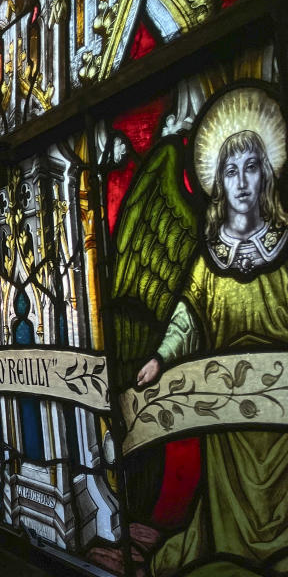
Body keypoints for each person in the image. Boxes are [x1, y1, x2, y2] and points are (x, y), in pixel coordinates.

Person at [136, 105, 288, 576]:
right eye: (230, 171)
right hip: (227, 411)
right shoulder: (211, 255)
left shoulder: (284, 243)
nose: (241, 181)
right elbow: (188, 316)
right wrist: (160, 358)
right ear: (218, 183)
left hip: (282, 408)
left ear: (265, 175)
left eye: (250, 169)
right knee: (226, 503)